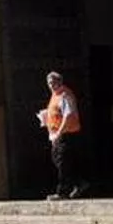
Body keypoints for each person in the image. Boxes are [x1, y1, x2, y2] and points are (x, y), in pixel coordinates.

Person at [38, 71, 89, 200]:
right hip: (57, 134)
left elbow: (68, 115)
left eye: (53, 82)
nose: (51, 85)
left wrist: (59, 133)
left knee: (62, 162)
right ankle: (79, 183)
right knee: (59, 160)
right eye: (49, 83)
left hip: (66, 133)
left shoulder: (65, 95)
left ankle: (63, 192)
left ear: (60, 82)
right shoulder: (55, 95)